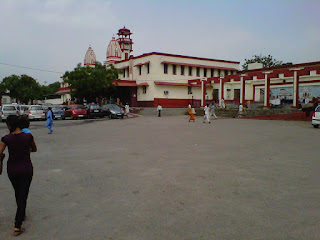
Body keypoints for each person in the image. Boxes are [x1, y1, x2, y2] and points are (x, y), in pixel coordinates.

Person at [0, 115, 37, 236]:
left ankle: (22, 213)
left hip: (12, 170)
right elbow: (34, 149)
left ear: (10, 125)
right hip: (26, 169)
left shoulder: (6, 138)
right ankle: (17, 225)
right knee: (23, 194)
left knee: (18, 192)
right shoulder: (28, 137)